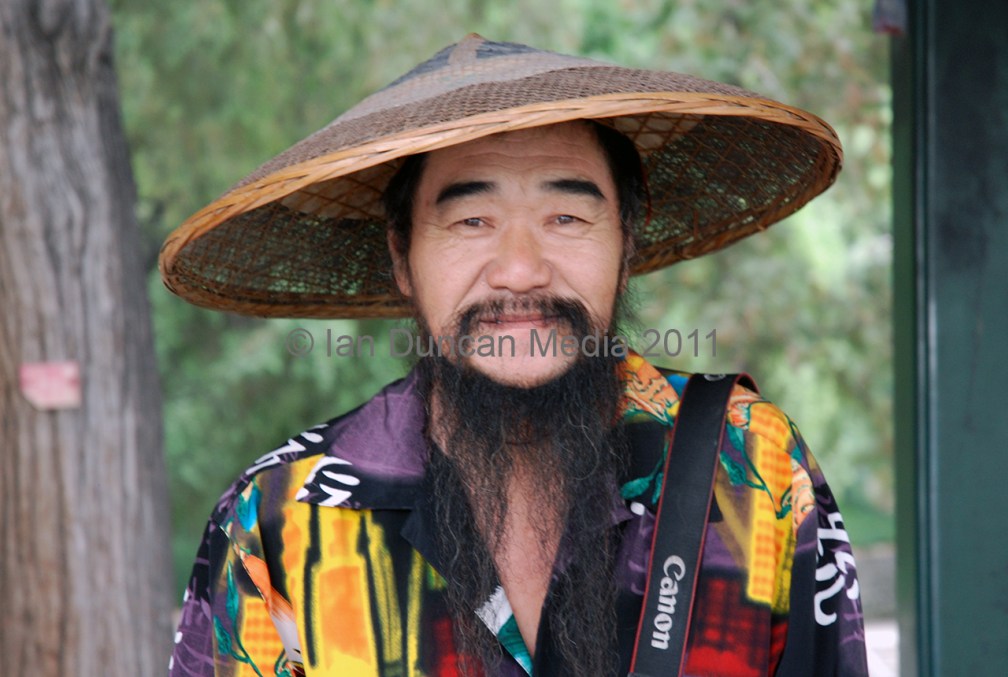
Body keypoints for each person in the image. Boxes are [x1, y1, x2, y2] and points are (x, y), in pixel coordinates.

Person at [162, 35, 867, 677]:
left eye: (567, 217)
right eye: (472, 220)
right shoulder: (279, 520)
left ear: (627, 242)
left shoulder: (753, 466)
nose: (522, 271)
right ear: (402, 257)